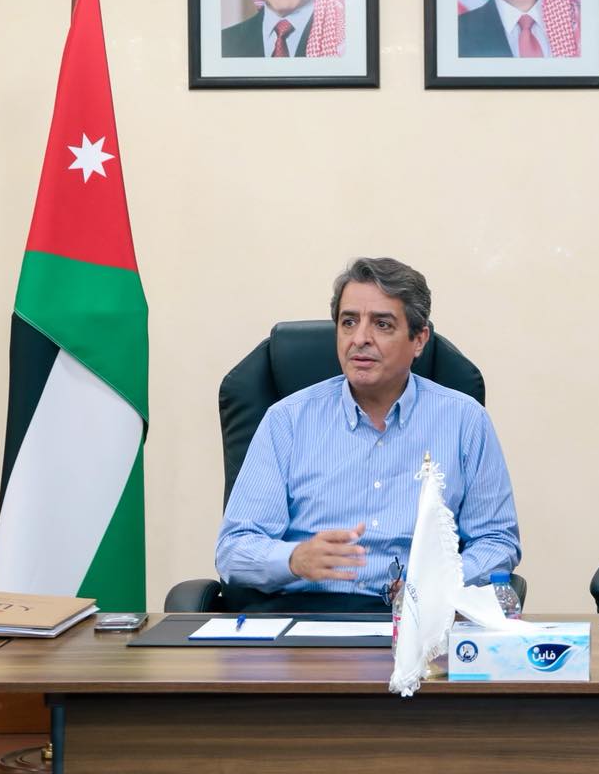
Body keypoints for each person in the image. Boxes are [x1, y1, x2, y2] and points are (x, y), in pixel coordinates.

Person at [215, 257, 521, 612]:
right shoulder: (286, 421)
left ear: (419, 339)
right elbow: (234, 549)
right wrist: (294, 558)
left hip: (419, 618)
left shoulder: (465, 421)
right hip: (303, 616)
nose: (360, 339)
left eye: (382, 324)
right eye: (349, 322)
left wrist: (438, 580)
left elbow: (496, 540)